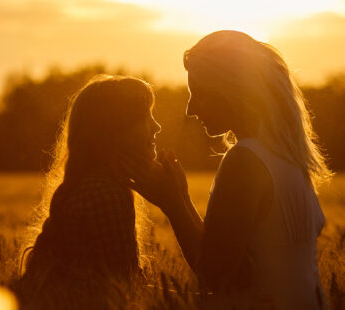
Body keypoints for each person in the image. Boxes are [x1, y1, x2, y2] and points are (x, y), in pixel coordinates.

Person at [122, 30, 332, 309]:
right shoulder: (290, 156)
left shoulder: (244, 161)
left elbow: (214, 273)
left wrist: (172, 204)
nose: (190, 109)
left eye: (200, 94)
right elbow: (223, 251)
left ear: (232, 91)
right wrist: (181, 198)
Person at [19, 74, 161, 308]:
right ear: (114, 132)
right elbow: (126, 287)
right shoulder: (105, 193)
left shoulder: (94, 185)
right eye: (145, 117)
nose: (157, 127)